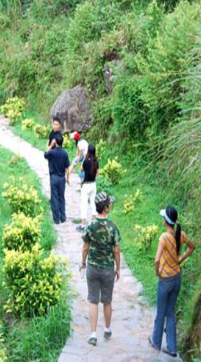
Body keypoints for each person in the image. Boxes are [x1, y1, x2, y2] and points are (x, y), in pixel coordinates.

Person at [149, 206, 196, 358]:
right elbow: (192, 246)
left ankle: (156, 341)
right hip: (176, 278)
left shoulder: (164, 237)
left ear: (165, 221)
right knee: (170, 313)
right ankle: (172, 348)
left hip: (165, 280)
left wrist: (158, 272)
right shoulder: (180, 234)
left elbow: (156, 259)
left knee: (161, 312)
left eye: (163, 217)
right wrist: (180, 260)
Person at [81, 192, 121, 346]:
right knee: (107, 301)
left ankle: (93, 334)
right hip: (107, 269)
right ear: (106, 208)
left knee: (92, 300)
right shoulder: (112, 228)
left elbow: (85, 247)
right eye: (109, 203)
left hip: (92, 267)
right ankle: (107, 329)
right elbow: (116, 250)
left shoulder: (90, 226)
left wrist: (83, 262)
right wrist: (118, 268)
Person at [44, 134, 70, 224]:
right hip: (62, 178)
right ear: (62, 142)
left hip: (54, 177)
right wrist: (68, 178)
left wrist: (51, 145)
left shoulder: (52, 152)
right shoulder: (65, 153)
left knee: (54, 198)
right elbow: (67, 168)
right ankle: (63, 217)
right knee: (62, 197)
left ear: (56, 142)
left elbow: (45, 154)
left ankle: (56, 219)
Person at [77, 144, 98, 233]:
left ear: (88, 151)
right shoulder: (96, 161)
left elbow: (81, 170)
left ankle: (83, 224)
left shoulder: (86, 161)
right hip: (93, 184)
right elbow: (98, 173)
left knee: (84, 204)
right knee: (93, 203)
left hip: (86, 185)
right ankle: (93, 222)